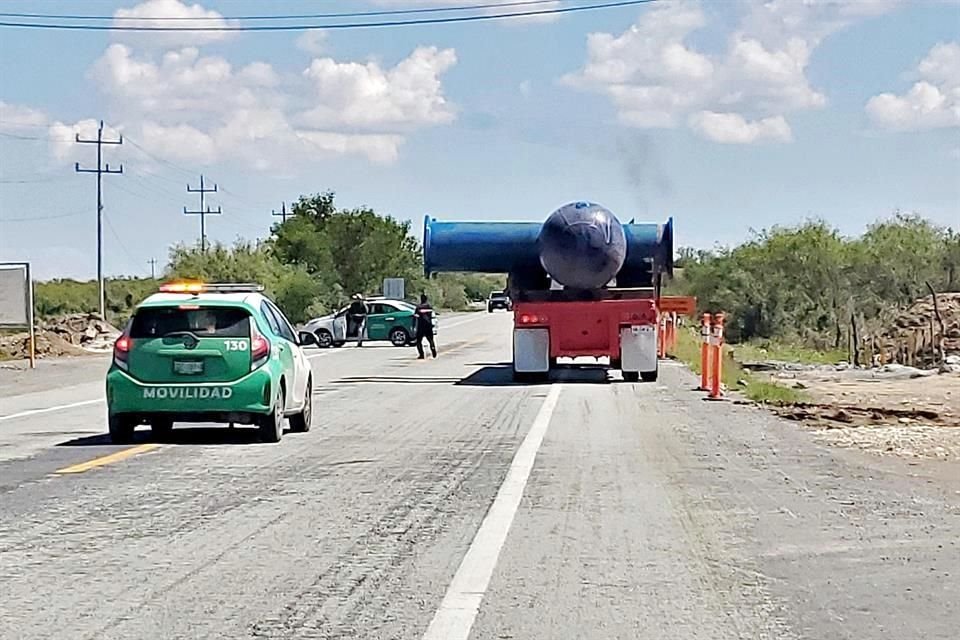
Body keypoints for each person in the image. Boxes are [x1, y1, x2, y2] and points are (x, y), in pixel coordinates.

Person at [413, 293, 437, 359]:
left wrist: (414, 326)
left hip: (421, 327)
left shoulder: (418, 307)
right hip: (429, 326)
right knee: (431, 340)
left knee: (418, 341)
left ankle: (421, 354)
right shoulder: (429, 306)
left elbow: (415, 316)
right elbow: (432, 315)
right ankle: (433, 351)